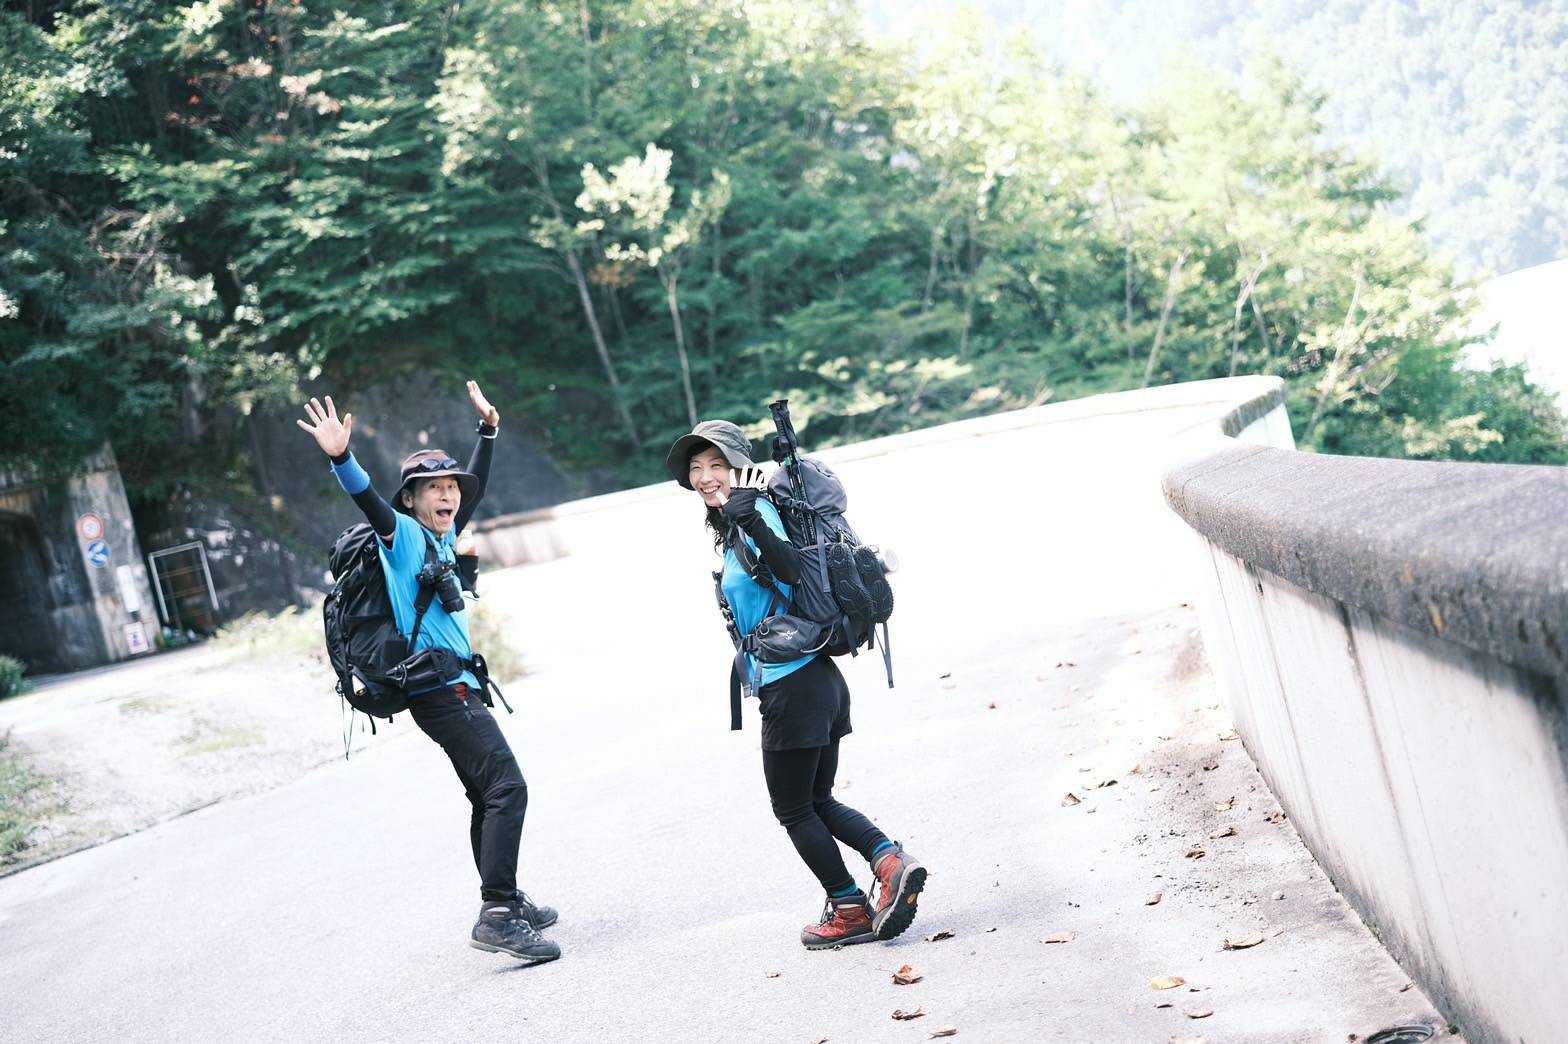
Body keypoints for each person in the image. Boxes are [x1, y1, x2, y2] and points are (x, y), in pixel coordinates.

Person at [296, 382, 560, 965]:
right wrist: (342, 457)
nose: (447, 495)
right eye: (433, 488)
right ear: (411, 500)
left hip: (455, 685)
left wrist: (487, 432)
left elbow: (475, 488)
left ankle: (507, 899)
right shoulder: (404, 537)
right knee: (507, 788)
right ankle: (497, 913)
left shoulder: (442, 537)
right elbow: (368, 500)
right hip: (439, 690)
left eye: (450, 487)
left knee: (485, 794)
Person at [665, 420, 927, 950]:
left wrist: (750, 517)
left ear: (740, 468)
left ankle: (848, 909)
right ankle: (889, 861)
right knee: (817, 798)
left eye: (717, 465)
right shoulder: (738, 519)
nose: (705, 476)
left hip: (794, 688)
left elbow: (788, 569)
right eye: (696, 468)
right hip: (814, 682)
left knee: (793, 808)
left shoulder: (756, 511)